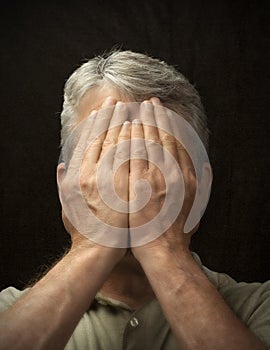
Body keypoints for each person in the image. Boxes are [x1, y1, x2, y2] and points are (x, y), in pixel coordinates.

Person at [0, 50, 269, 350]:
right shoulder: (7, 314)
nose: (131, 182)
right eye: (105, 155)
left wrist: (163, 249)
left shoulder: (259, 309)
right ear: (66, 187)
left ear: (200, 186)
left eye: (155, 157)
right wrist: (93, 245)